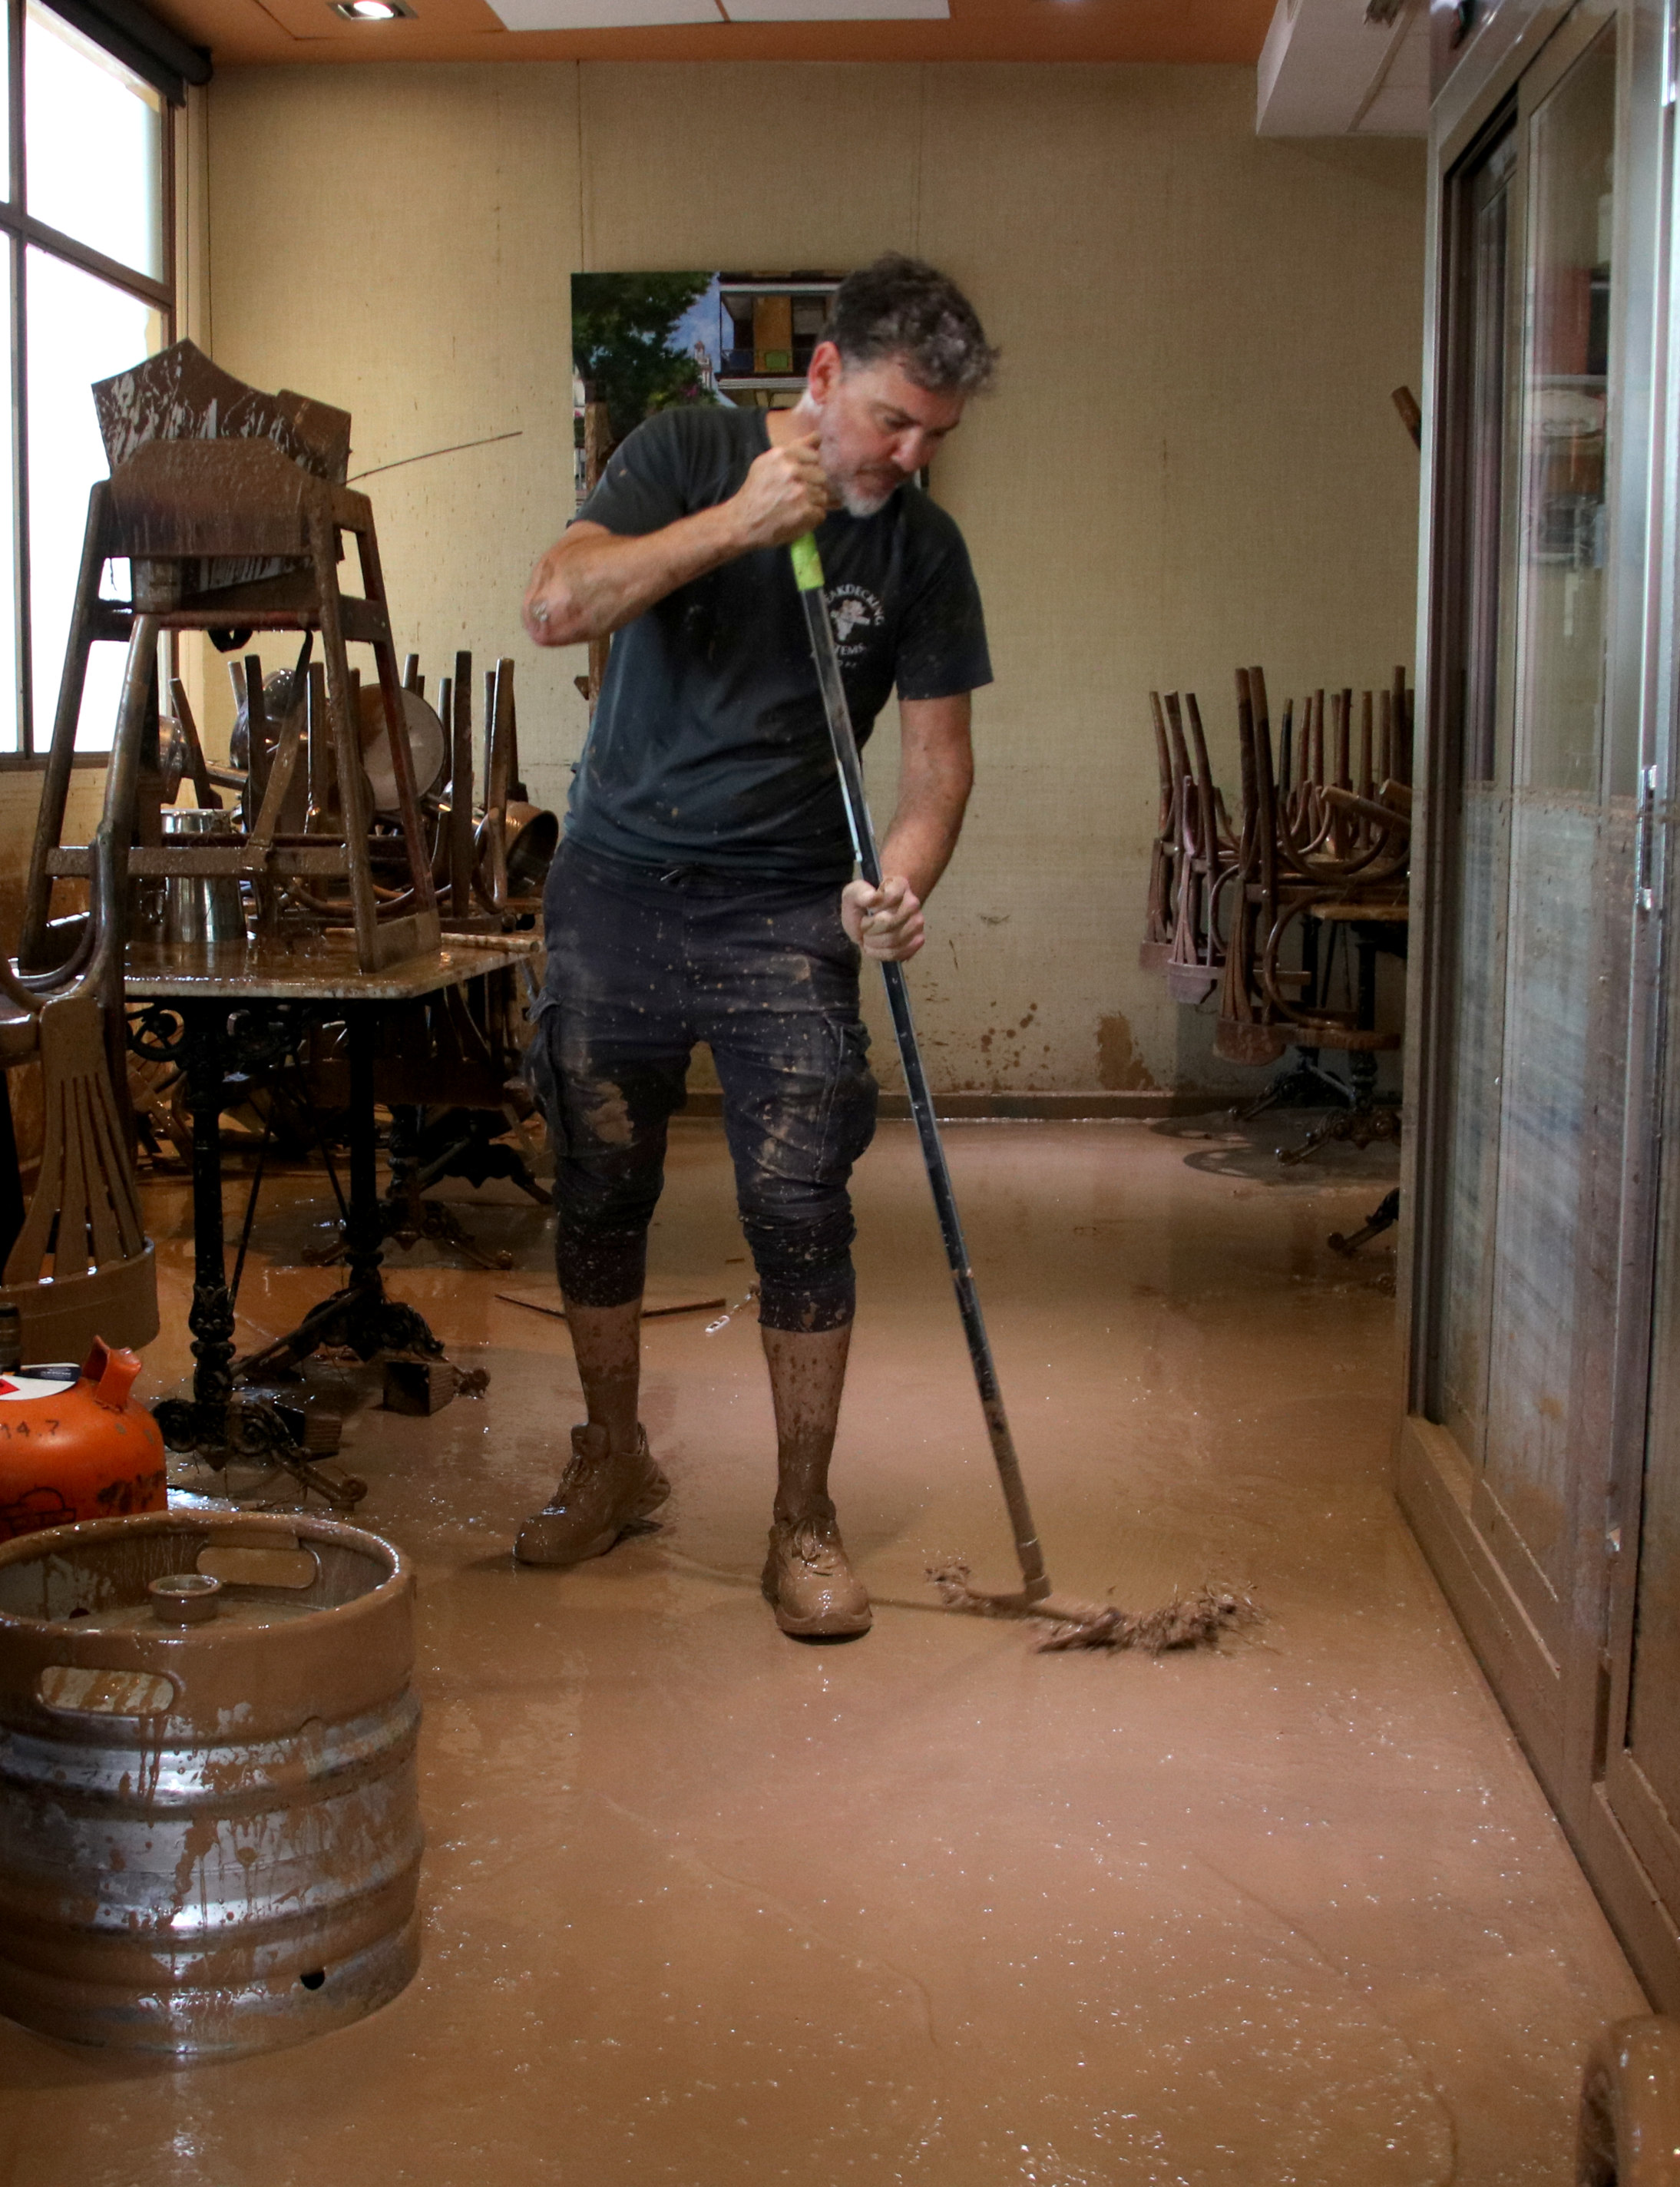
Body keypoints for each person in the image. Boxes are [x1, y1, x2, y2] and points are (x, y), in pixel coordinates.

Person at [511, 253, 997, 1640]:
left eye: (934, 438)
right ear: (826, 374)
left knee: (799, 1207)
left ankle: (803, 1518)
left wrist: (896, 885)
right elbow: (554, 608)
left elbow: (938, 767)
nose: (907, 459)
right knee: (600, 1182)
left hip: (790, 905)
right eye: (892, 422)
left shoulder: (922, 552)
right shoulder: (686, 450)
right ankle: (614, 1461)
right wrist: (730, 524)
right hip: (616, 883)